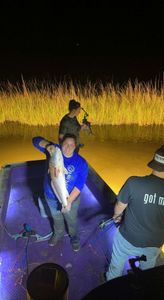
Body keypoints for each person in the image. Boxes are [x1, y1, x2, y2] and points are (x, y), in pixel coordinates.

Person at [106, 145, 164, 280]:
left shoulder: (134, 182)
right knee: (146, 274)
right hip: (153, 244)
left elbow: (119, 209)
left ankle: (110, 285)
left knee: (115, 267)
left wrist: (117, 218)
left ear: (154, 164)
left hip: (127, 238)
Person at [32, 133, 88, 251]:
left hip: (70, 198)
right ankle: (58, 233)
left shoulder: (81, 162)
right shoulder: (54, 151)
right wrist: (48, 146)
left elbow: (79, 185)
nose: (68, 147)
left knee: (71, 219)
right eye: (66, 144)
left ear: (75, 146)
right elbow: (35, 140)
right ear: (61, 143)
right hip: (51, 196)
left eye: (71, 144)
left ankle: (74, 236)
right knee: (56, 217)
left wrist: (68, 202)